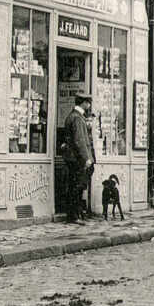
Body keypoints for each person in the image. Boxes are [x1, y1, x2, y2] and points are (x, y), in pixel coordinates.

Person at [62, 94, 94, 225]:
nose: (89, 106)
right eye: (88, 103)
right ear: (84, 103)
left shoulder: (73, 116)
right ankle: (74, 216)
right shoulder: (77, 118)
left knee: (74, 186)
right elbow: (79, 140)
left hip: (72, 158)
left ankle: (74, 214)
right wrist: (86, 158)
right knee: (77, 187)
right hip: (77, 159)